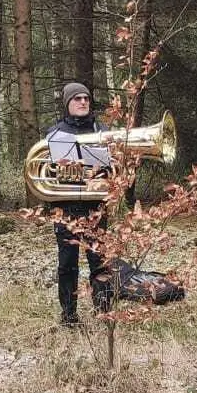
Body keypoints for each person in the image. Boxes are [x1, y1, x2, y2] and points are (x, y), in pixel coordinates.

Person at [44, 82, 111, 327]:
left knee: (100, 263)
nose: (83, 102)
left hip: (96, 208)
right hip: (66, 209)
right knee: (67, 266)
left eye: (86, 98)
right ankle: (69, 317)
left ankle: (104, 314)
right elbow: (47, 173)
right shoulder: (54, 134)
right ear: (67, 103)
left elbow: (115, 171)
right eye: (77, 99)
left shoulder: (101, 131)